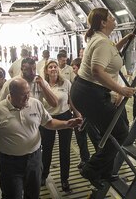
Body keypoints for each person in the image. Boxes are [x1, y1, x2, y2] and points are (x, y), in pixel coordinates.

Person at [0, 78, 82, 199]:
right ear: (11, 94)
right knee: (12, 195)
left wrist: (66, 124)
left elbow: (48, 123)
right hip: (10, 163)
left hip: (34, 160)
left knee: (33, 194)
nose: (27, 97)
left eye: (28, 93)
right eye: (23, 95)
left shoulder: (35, 104)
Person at [70, 7, 135, 188]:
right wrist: (121, 90)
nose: (114, 19)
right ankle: (91, 169)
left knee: (111, 132)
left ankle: (105, 171)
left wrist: (124, 40)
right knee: (121, 132)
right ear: (103, 23)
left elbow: (111, 52)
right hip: (91, 93)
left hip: (85, 91)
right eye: (111, 17)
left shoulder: (100, 39)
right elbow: (97, 72)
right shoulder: (102, 42)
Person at [40, 60, 79, 192]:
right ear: (46, 70)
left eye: (55, 66)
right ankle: (43, 175)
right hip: (48, 119)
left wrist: (77, 114)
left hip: (65, 116)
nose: (53, 69)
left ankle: (64, 179)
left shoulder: (66, 83)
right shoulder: (42, 85)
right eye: (50, 67)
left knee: (65, 150)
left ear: (58, 69)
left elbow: (71, 101)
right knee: (47, 149)